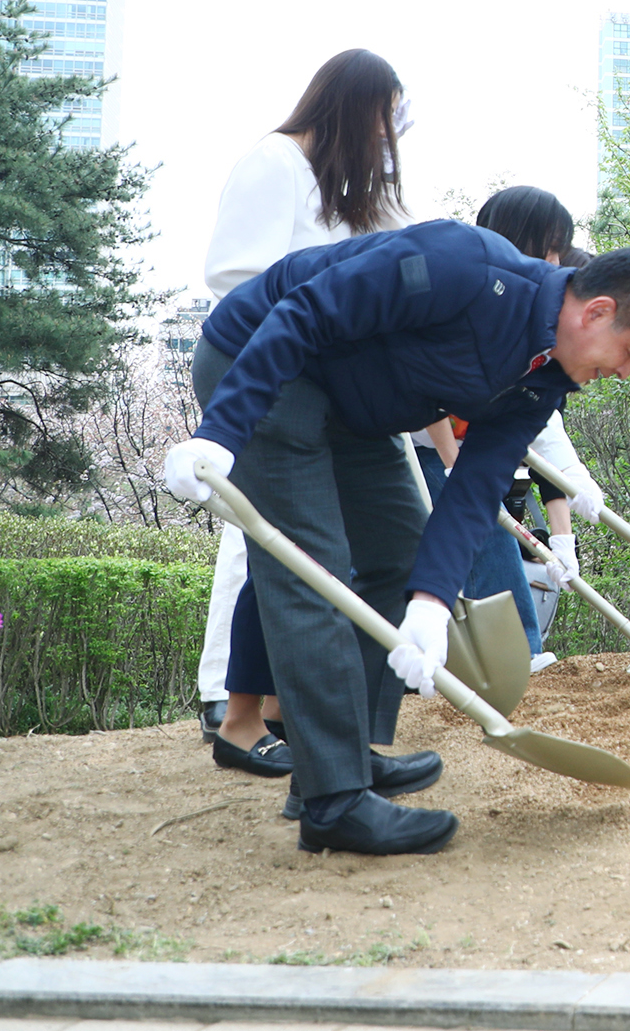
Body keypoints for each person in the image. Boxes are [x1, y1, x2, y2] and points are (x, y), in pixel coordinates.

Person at [164, 225, 630, 855]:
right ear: (597, 312)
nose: (628, 371)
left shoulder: (544, 379)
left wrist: (433, 603)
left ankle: (338, 758)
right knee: (317, 573)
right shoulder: (460, 267)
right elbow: (306, 310)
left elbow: (473, 492)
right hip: (269, 363)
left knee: (404, 556)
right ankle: (333, 802)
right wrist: (221, 429)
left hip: (357, 409)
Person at [195, 50, 413, 779]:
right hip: (265, 379)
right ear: (353, 105)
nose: (388, 137)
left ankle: (296, 717)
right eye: (384, 118)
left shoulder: (335, 189)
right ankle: (239, 718)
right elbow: (237, 279)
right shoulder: (274, 163)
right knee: (285, 559)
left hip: (322, 393)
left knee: (319, 560)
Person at [469, 192, 612, 667]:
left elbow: (544, 429)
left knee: (492, 541)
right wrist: (454, 463)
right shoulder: (482, 297)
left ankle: (521, 652)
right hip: (419, 442)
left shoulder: (540, 333)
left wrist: (567, 523)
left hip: (480, 460)